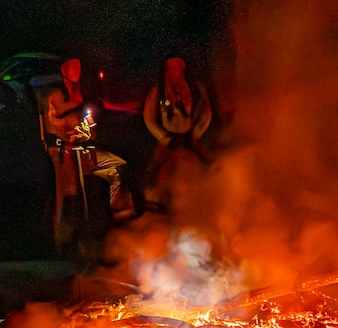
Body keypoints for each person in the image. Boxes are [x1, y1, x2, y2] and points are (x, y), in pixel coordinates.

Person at [40, 58, 136, 238]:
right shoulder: (55, 95)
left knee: (116, 168)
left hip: (84, 148)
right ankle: (63, 228)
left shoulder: (81, 92)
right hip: (66, 150)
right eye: (72, 68)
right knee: (67, 188)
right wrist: (71, 127)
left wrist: (91, 122)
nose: (77, 71)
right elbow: (53, 121)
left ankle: (121, 213)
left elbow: (92, 117)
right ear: (64, 70)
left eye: (79, 68)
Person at [141, 57, 212, 215]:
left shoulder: (196, 89)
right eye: (171, 67)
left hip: (191, 137)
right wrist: (165, 138)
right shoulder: (158, 92)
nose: (175, 71)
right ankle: (154, 204)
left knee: (207, 166)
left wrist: (196, 134)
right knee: (154, 172)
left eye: (178, 67)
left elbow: (206, 112)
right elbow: (149, 117)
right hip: (168, 140)